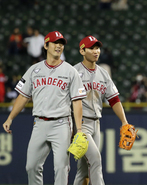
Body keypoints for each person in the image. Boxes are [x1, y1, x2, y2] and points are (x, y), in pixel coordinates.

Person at [2, 31, 87, 185]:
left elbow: (77, 101)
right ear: (46, 45)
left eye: (61, 44)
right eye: (55, 43)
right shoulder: (34, 70)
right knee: (32, 166)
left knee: (61, 167)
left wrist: (79, 129)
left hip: (61, 124)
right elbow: (23, 96)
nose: (59, 46)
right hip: (39, 123)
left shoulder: (70, 71)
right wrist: (10, 118)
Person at [73, 35, 132, 185]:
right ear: (82, 50)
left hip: (96, 124)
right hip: (81, 124)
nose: (96, 51)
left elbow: (114, 99)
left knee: (84, 170)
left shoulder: (103, 73)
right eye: (91, 48)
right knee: (96, 160)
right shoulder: (73, 72)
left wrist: (124, 122)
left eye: (97, 48)